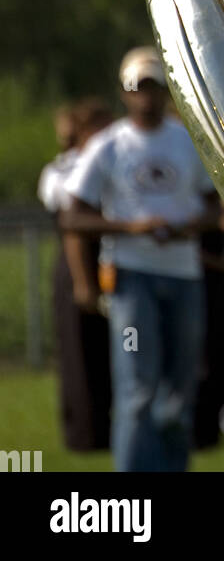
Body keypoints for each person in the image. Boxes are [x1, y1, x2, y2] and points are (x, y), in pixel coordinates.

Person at [62, 46, 220, 472]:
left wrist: (190, 225)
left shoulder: (187, 141)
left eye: (152, 85)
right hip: (133, 279)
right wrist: (131, 228)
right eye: (136, 86)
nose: (144, 94)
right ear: (123, 91)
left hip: (185, 276)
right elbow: (73, 214)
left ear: (164, 89)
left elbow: (213, 205)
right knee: (138, 388)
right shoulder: (108, 145)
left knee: (179, 391)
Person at [38, 98, 113, 451]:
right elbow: (70, 220)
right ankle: (84, 435)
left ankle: (110, 428)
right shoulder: (61, 171)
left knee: (111, 350)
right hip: (74, 266)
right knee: (79, 352)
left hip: (110, 261)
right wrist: (84, 283)